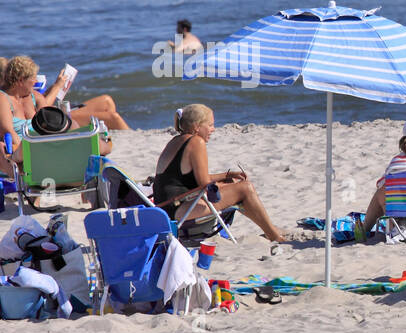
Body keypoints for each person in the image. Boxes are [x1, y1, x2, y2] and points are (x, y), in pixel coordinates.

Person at [155, 104, 288, 244]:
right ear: (196, 127)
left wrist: (227, 176)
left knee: (234, 185)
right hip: (177, 210)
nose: (213, 129)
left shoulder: (177, 140)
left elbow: (189, 179)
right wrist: (225, 184)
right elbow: (204, 184)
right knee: (245, 188)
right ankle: (274, 236)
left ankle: (270, 229)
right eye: (210, 125)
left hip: (166, 208)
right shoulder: (196, 142)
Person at [1, 56, 129, 153]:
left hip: (49, 142)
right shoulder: (3, 99)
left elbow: (50, 119)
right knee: (98, 129)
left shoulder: (34, 96)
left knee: (91, 135)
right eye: (32, 79)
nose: (35, 81)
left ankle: (106, 144)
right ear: (20, 81)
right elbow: (9, 132)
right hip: (32, 149)